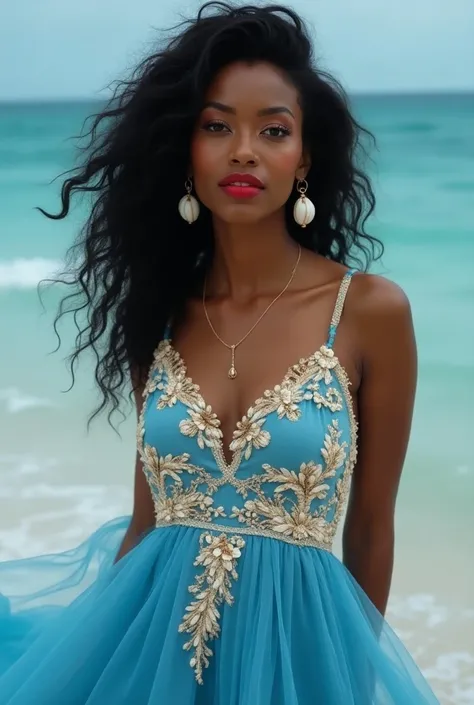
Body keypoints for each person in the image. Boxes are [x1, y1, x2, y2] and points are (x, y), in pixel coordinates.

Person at [0, 3, 439, 703]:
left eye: (273, 130)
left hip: (298, 658)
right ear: (186, 151)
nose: (243, 150)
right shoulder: (163, 316)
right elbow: (147, 522)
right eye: (216, 127)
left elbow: (371, 526)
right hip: (153, 649)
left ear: (303, 158)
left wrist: (351, 682)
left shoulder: (366, 311)